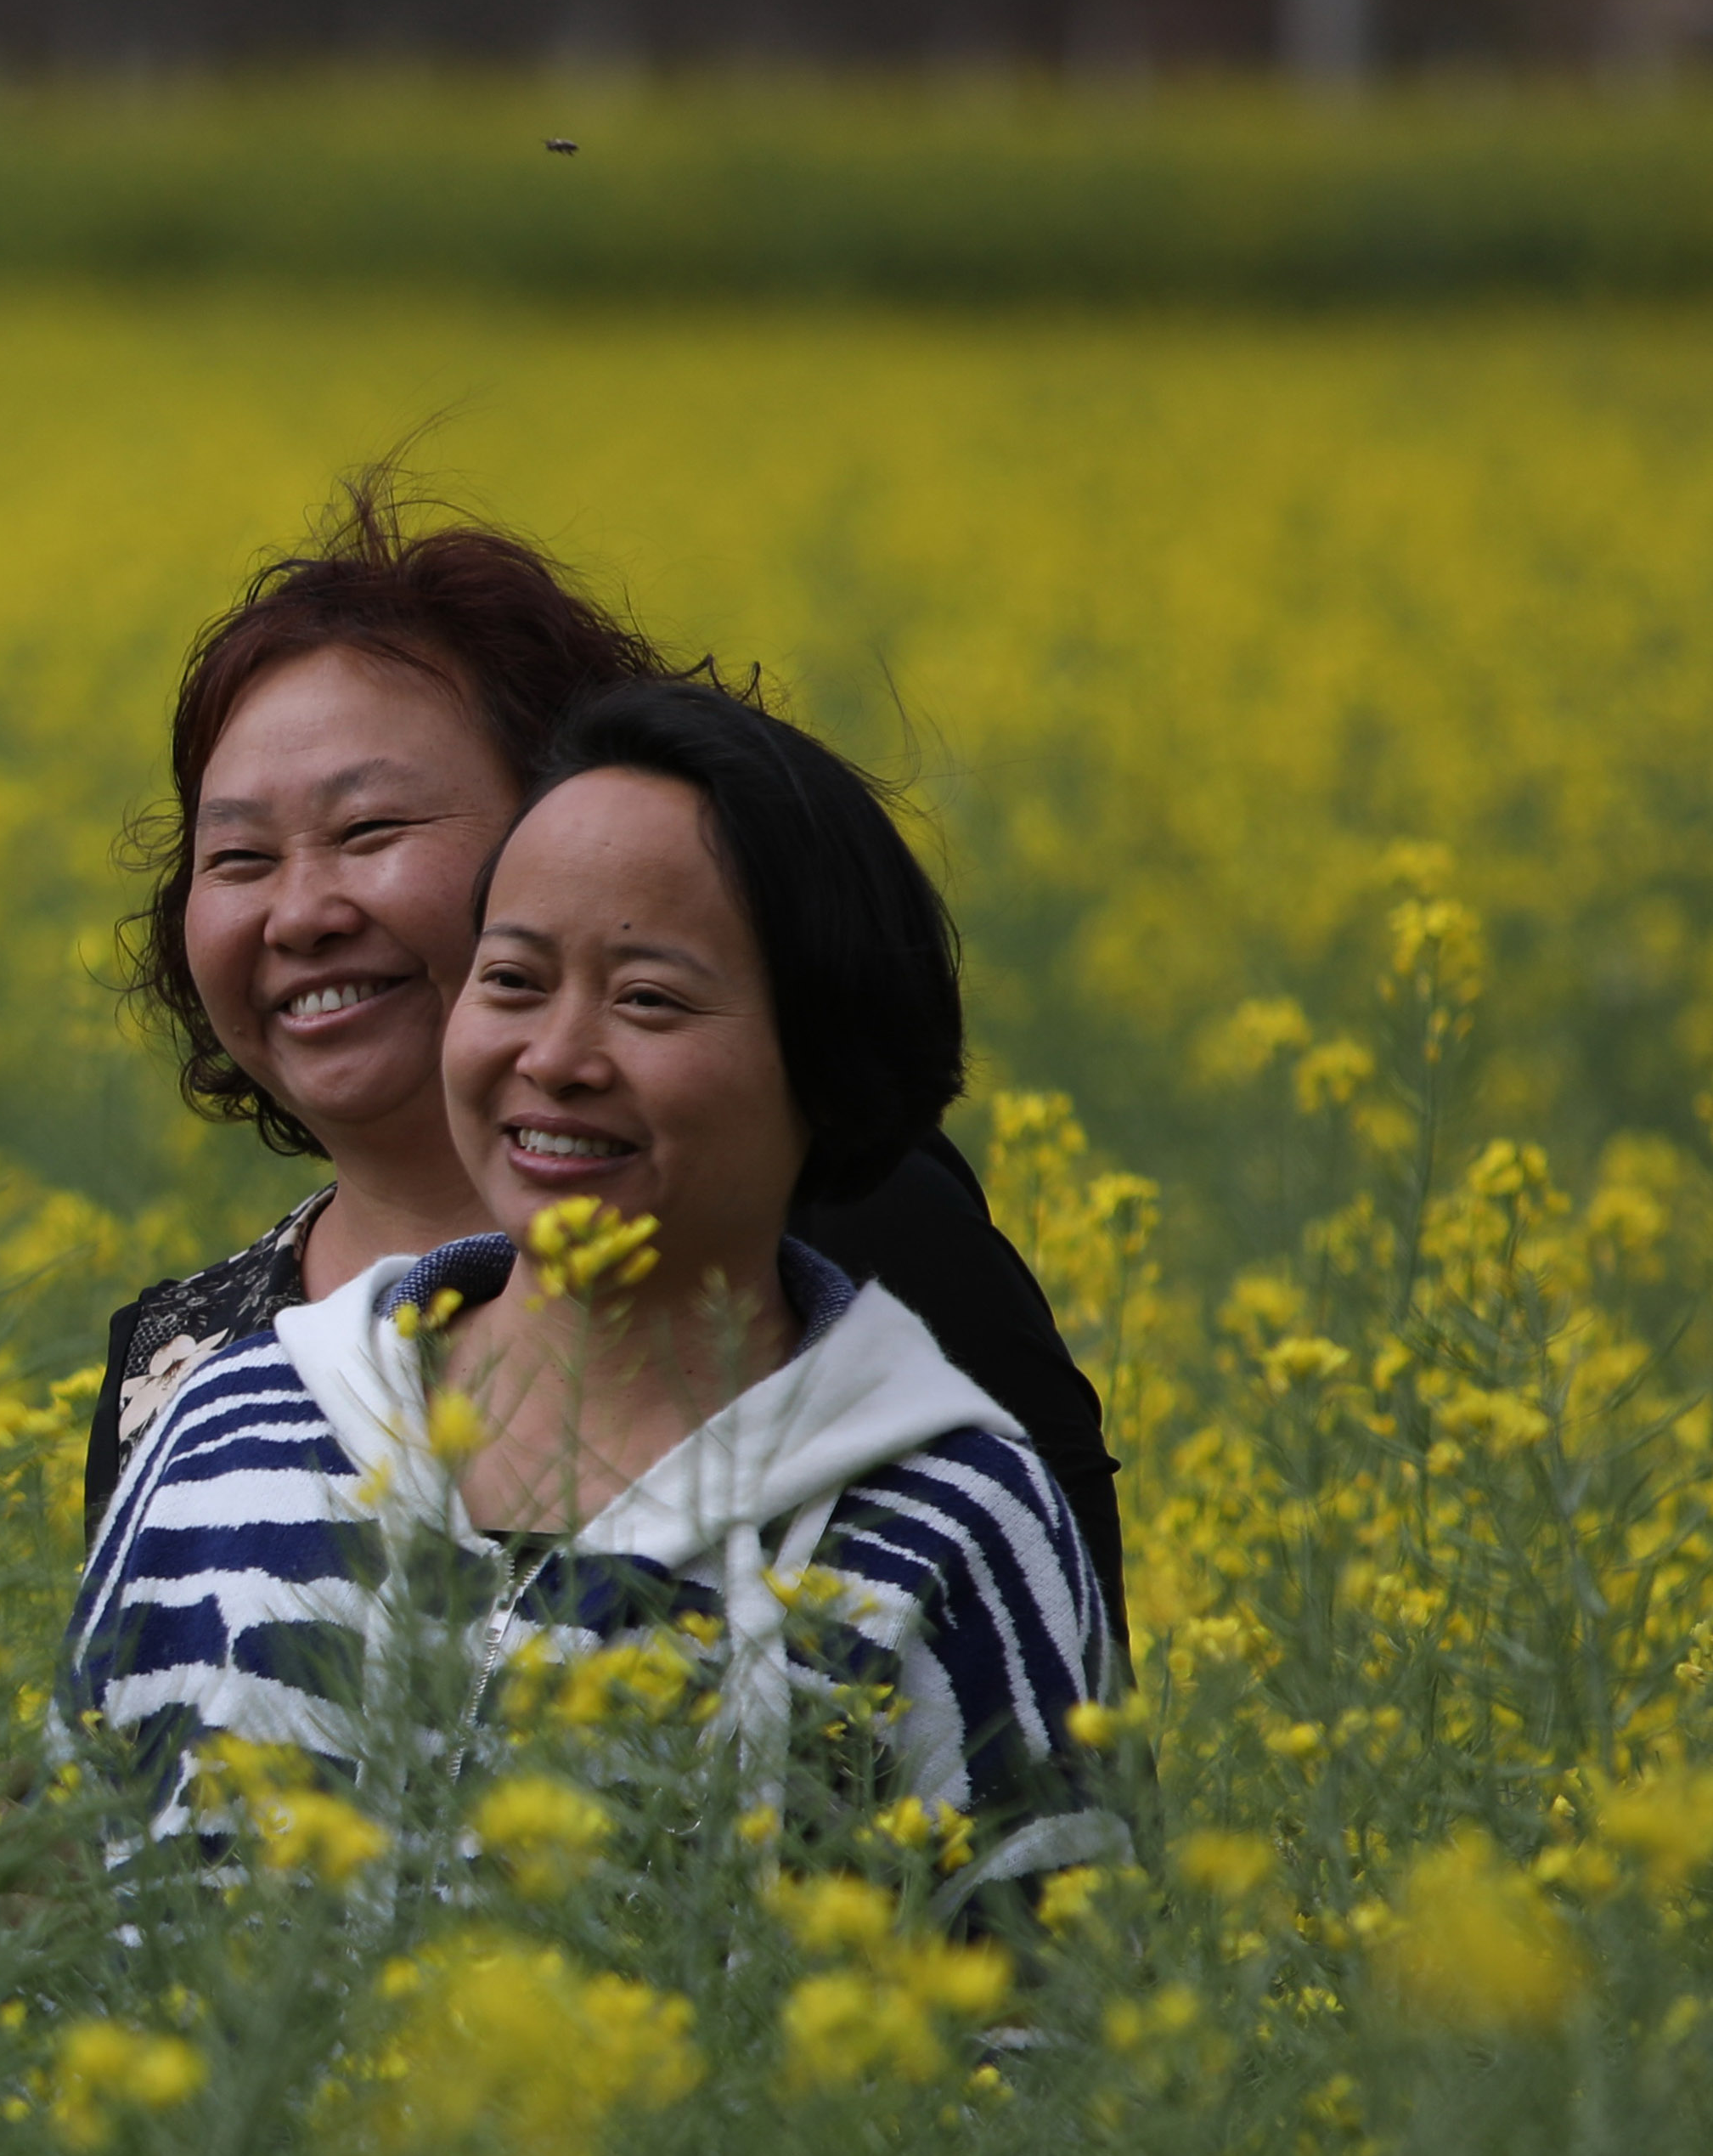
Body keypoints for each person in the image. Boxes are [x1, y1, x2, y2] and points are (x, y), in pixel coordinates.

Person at [63, 681, 1118, 1902]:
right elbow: (59, 1945)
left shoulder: (947, 1521)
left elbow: (1045, 2051)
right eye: (510, 981)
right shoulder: (230, 1432)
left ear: (824, 1062)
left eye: (648, 1001)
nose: (555, 1059)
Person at [83, 480, 1124, 1647]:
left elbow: (1039, 1727)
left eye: (370, 833)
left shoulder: (833, 1221)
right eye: (238, 857)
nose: (300, 913)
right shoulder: (188, 1367)